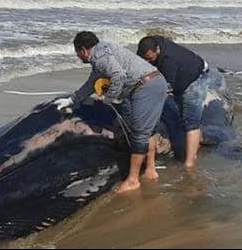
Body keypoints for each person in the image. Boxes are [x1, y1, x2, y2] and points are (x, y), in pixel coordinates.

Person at [62, 31, 167, 193]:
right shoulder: (103, 51)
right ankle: (150, 170)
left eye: (77, 53)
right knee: (148, 130)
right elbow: (92, 83)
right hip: (154, 82)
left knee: (139, 133)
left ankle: (133, 180)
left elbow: (118, 76)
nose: (78, 56)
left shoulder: (99, 58)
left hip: (146, 87)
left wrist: (110, 99)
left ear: (83, 50)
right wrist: (73, 99)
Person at [137, 35, 212, 168]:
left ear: (158, 50)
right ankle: (195, 143)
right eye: (144, 58)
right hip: (181, 75)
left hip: (195, 79)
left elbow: (165, 91)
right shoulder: (149, 45)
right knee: (181, 114)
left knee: (190, 121)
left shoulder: (169, 62)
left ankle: (189, 163)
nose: (147, 61)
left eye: (150, 58)